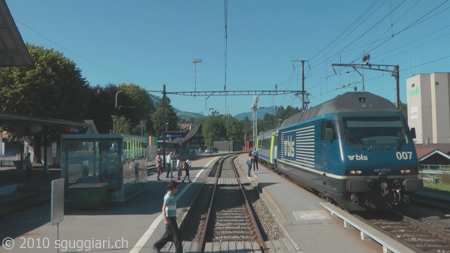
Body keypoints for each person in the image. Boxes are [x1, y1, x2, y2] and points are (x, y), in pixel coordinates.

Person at [153, 180, 182, 253]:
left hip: (172, 217)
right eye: (176, 188)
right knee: (177, 236)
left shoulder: (172, 195)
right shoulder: (167, 196)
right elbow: (163, 208)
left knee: (168, 235)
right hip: (169, 219)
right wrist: (165, 219)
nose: (177, 189)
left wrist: (174, 216)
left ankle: (157, 245)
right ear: (172, 188)